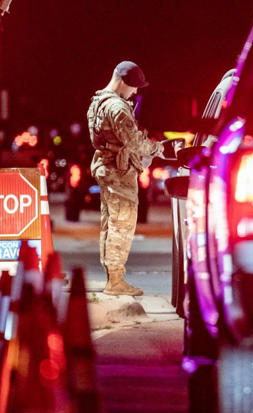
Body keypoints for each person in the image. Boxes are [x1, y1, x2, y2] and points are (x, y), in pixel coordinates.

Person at [86, 61, 164, 296]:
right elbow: (134, 142)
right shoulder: (117, 108)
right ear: (123, 82)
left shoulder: (97, 102)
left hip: (106, 168)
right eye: (134, 87)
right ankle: (116, 282)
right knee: (122, 223)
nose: (136, 92)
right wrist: (157, 148)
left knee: (110, 224)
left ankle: (113, 277)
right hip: (119, 172)